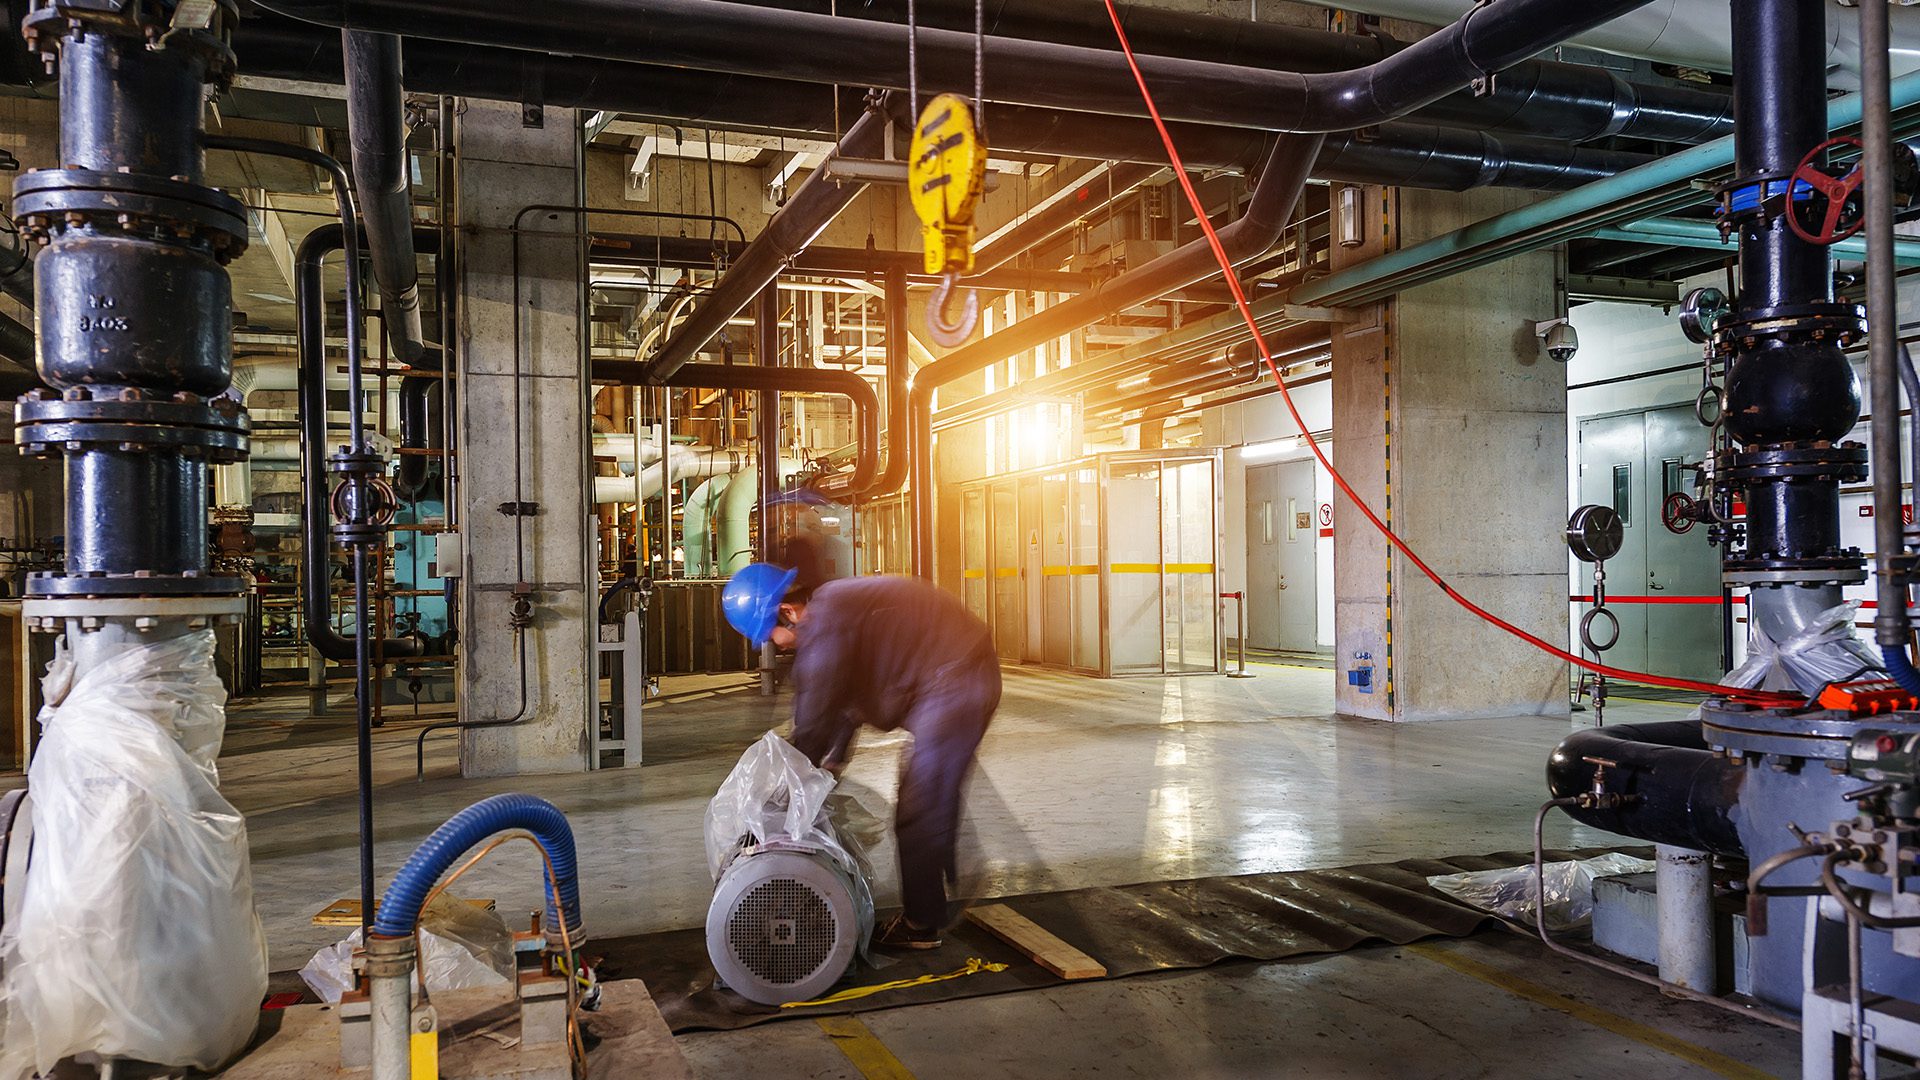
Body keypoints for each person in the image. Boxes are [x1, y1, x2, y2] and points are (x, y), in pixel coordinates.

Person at [722, 562, 1001, 950]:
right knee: (929, 792)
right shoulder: (834, 611)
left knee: (919, 805)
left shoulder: (824, 627)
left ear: (786, 612)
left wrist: (787, 796)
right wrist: (828, 765)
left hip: (958, 680)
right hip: (950, 674)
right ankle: (947, 882)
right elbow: (844, 706)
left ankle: (922, 924)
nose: (776, 645)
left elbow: (814, 720)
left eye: (771, 635)